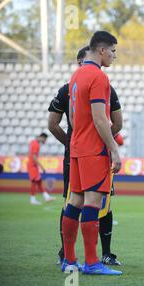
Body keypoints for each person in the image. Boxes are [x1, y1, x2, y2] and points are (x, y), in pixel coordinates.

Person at [48, 46, 123, 266]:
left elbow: (63, 120)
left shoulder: (72, 81)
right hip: (94, 150)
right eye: (112, 50)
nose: (114, 55)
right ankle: (93, 261)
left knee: (74, 201)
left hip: (76, 150)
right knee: (96, 202)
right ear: (99, 52)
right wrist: (111, 146)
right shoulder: (99, 78)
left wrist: (72, 143)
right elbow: (106, 121)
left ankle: (69, 259)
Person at [27, 133, 55, 205]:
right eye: (45, 139)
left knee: (39, 181)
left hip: (32, 165)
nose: (45, 141)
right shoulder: (36, 145)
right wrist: (42, 167)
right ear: (42, 137)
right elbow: (34, 157)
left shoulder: (32, 142)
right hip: (33, 165)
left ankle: (46, 197)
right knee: (34, 182)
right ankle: (32, 199)